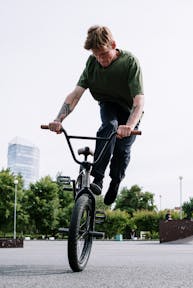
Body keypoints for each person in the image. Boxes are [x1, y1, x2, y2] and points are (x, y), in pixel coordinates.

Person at [48, 25, 144, 205]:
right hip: (108, 105)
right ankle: (98, 178)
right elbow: (75, 94)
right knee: (109, 126)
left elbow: (139, 102)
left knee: (121, 151)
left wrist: (130, 126)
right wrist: (58, 119)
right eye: (96, 55)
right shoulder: (92, 63)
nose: (101, 60)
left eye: (104, 54)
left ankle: (115, 182)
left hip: (129, 111)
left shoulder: (130, 62)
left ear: (114, 45)